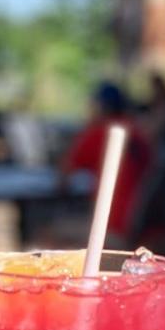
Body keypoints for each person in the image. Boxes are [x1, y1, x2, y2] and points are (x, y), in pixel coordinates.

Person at [61, 82, 153, 241]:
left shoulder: (100, 132)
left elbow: (63, 179)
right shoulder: (139, 133)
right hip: (143, 226)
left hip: (112, 228)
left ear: (101, 107)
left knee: (46, 235)